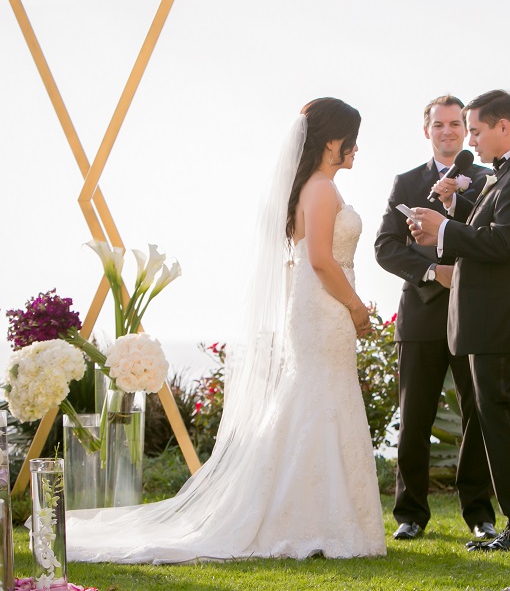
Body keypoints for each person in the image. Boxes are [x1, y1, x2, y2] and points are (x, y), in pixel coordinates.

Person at [66, 98, 387, 562]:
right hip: (326, 305)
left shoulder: (318, 187)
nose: (358, 147)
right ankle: (306, 519)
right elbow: (319, 259)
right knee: (321, 397)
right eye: (353, 137)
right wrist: (357, 308)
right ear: (333, 140)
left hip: (320, 306)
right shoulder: (319, 189)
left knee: (321, 397)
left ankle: (316, 515)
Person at [410, 90, 510, 552]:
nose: (467, 139)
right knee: (504, 421)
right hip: (491, 318)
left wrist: (444, 230)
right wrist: (452, 213)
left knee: (503, 422)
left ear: (503, 128)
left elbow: (503, 244)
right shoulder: (505, 175)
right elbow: (486, 229)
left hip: (501, 318)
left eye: (474, 130)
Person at [374, 95, 496, 541]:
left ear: (466, 131)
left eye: (455, 125)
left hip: (474, 315)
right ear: (426, 131)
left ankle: (480, 515)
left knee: (477, 416)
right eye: (438, 124)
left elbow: (494, 244)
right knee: (415, 418)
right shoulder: (406, 182)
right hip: (421, 316)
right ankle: (410, 514)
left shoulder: (489, 180)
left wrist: (460, 273)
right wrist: (432, 272)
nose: (447, 131)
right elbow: (386, 246)